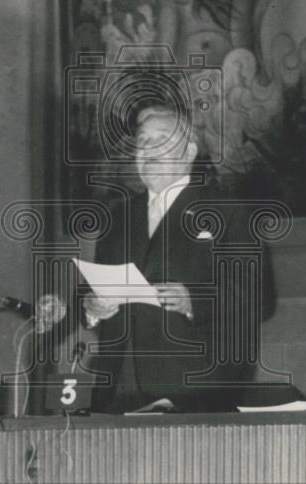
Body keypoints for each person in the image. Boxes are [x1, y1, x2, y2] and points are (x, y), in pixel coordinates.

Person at [84, 102, 274, 413]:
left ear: (188, 152)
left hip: (197, 389)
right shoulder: (117, 217)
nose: (149, 150)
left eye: (161, 140)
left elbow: (261, 298)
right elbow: (94, 290)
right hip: (118, 390)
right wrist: (92, 308)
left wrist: (193, 300)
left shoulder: (228, 212)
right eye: (143, 141)